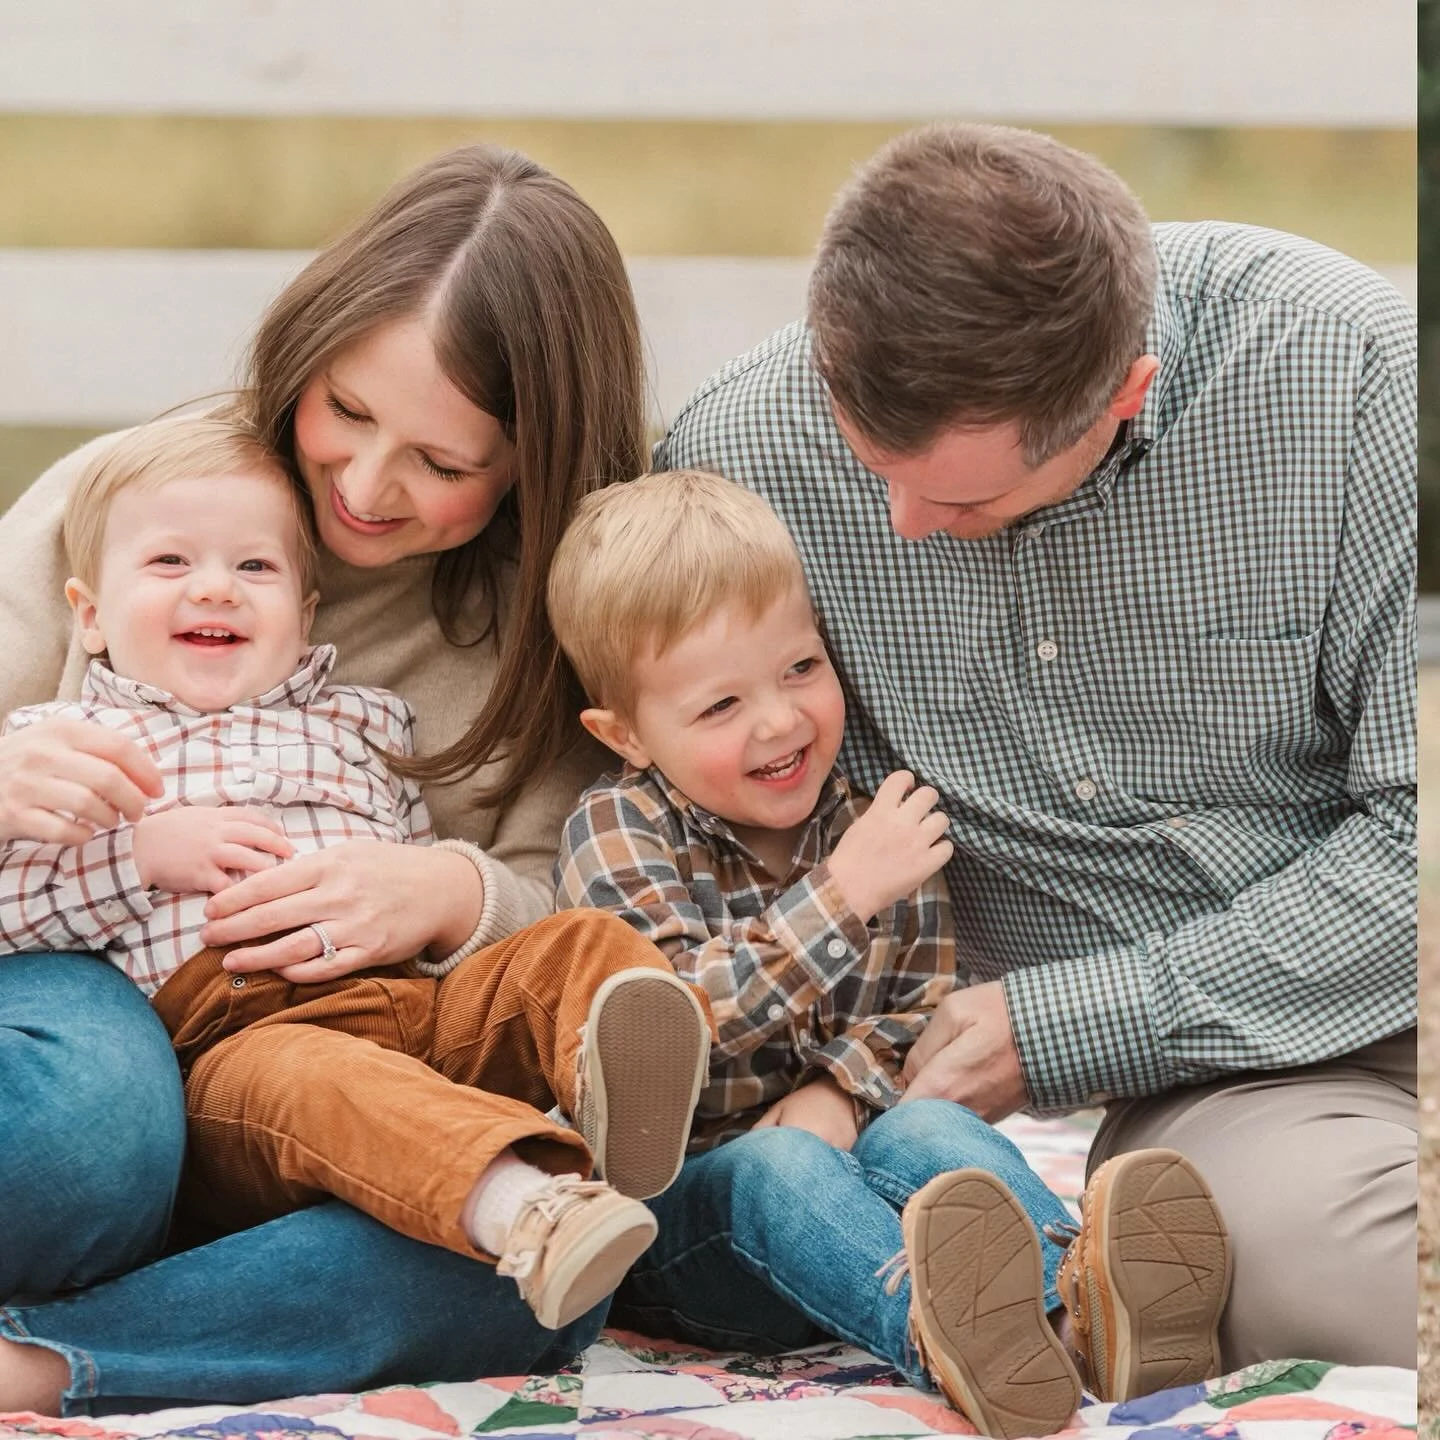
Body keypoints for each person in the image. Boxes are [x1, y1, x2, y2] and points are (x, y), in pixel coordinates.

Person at [647, 123, 1417, 1370]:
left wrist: (1068, 1022)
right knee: (1325, 1267)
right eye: (867, 458)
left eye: (963, 501)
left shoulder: (1346, 370)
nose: (899, 524)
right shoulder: (741, 459)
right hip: (1240, 1093)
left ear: (1125, 394)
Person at [0, 144, 675, 1416]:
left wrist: (448, 889)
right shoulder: (151, 493)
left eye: (444, 461)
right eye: (348, 414)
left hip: (372, 1063)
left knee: (553, 1272)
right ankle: (191, 1258)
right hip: (108, 983)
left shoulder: (542, 629)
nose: (366, 488)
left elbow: (572, 889)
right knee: (101, 1122)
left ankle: (59, 1350)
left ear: (533, 460)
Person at [546, 469, 1231, 1434]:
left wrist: (842, 1092)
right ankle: (937, 1334)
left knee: (927, 1135)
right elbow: (670, 1020)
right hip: (685, 1230)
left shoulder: (872, 822)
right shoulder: (617, 831)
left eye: (800, 669)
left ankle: (1084, 1311)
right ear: (626, 735)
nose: (780, 720)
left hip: (854, 1164)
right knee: (772, 1165)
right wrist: (841, 897)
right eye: (720, 706)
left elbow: (918, 1007)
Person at [0, 415, 710, 1334]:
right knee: (327, 1081)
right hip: (234, 1046)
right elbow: (11, 916)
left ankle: (624, 1091)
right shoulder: (59, 745)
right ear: (89, 614)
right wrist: (133, 856)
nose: (215, 588)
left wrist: (430, 893)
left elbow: (426, 872)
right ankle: (524, 1209)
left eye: (255, 569)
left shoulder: (368, 726)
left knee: (578, 946)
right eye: (171, 565)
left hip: (406, 999)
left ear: (306, 612)